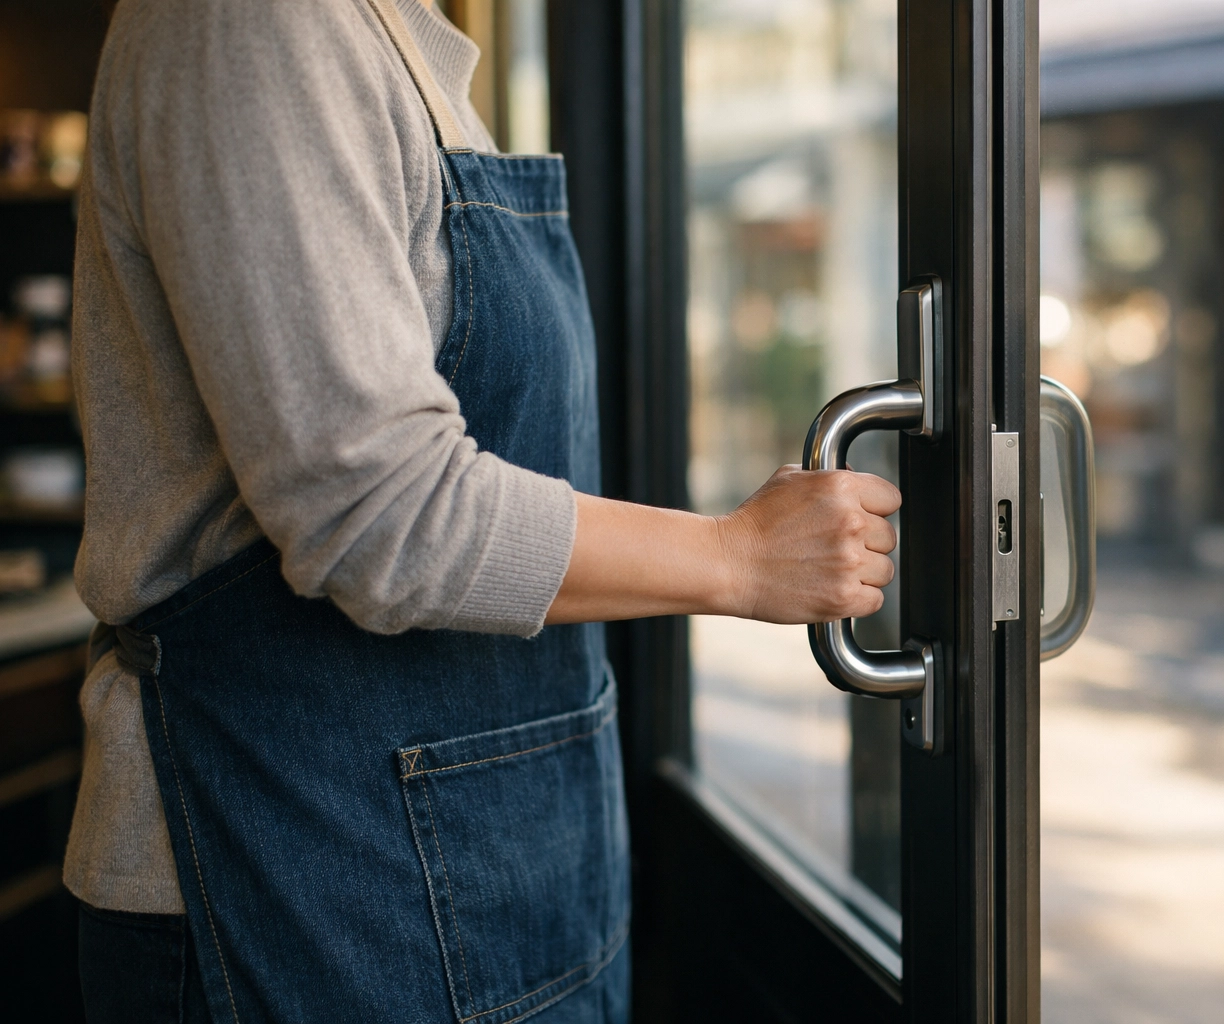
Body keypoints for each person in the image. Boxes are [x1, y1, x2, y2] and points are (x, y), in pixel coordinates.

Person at [65, 1, 899, 1021]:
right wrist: (738, 559)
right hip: (285, 878)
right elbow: (378, 509)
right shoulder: (255, 26)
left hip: (464, 872)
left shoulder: (400, 46)